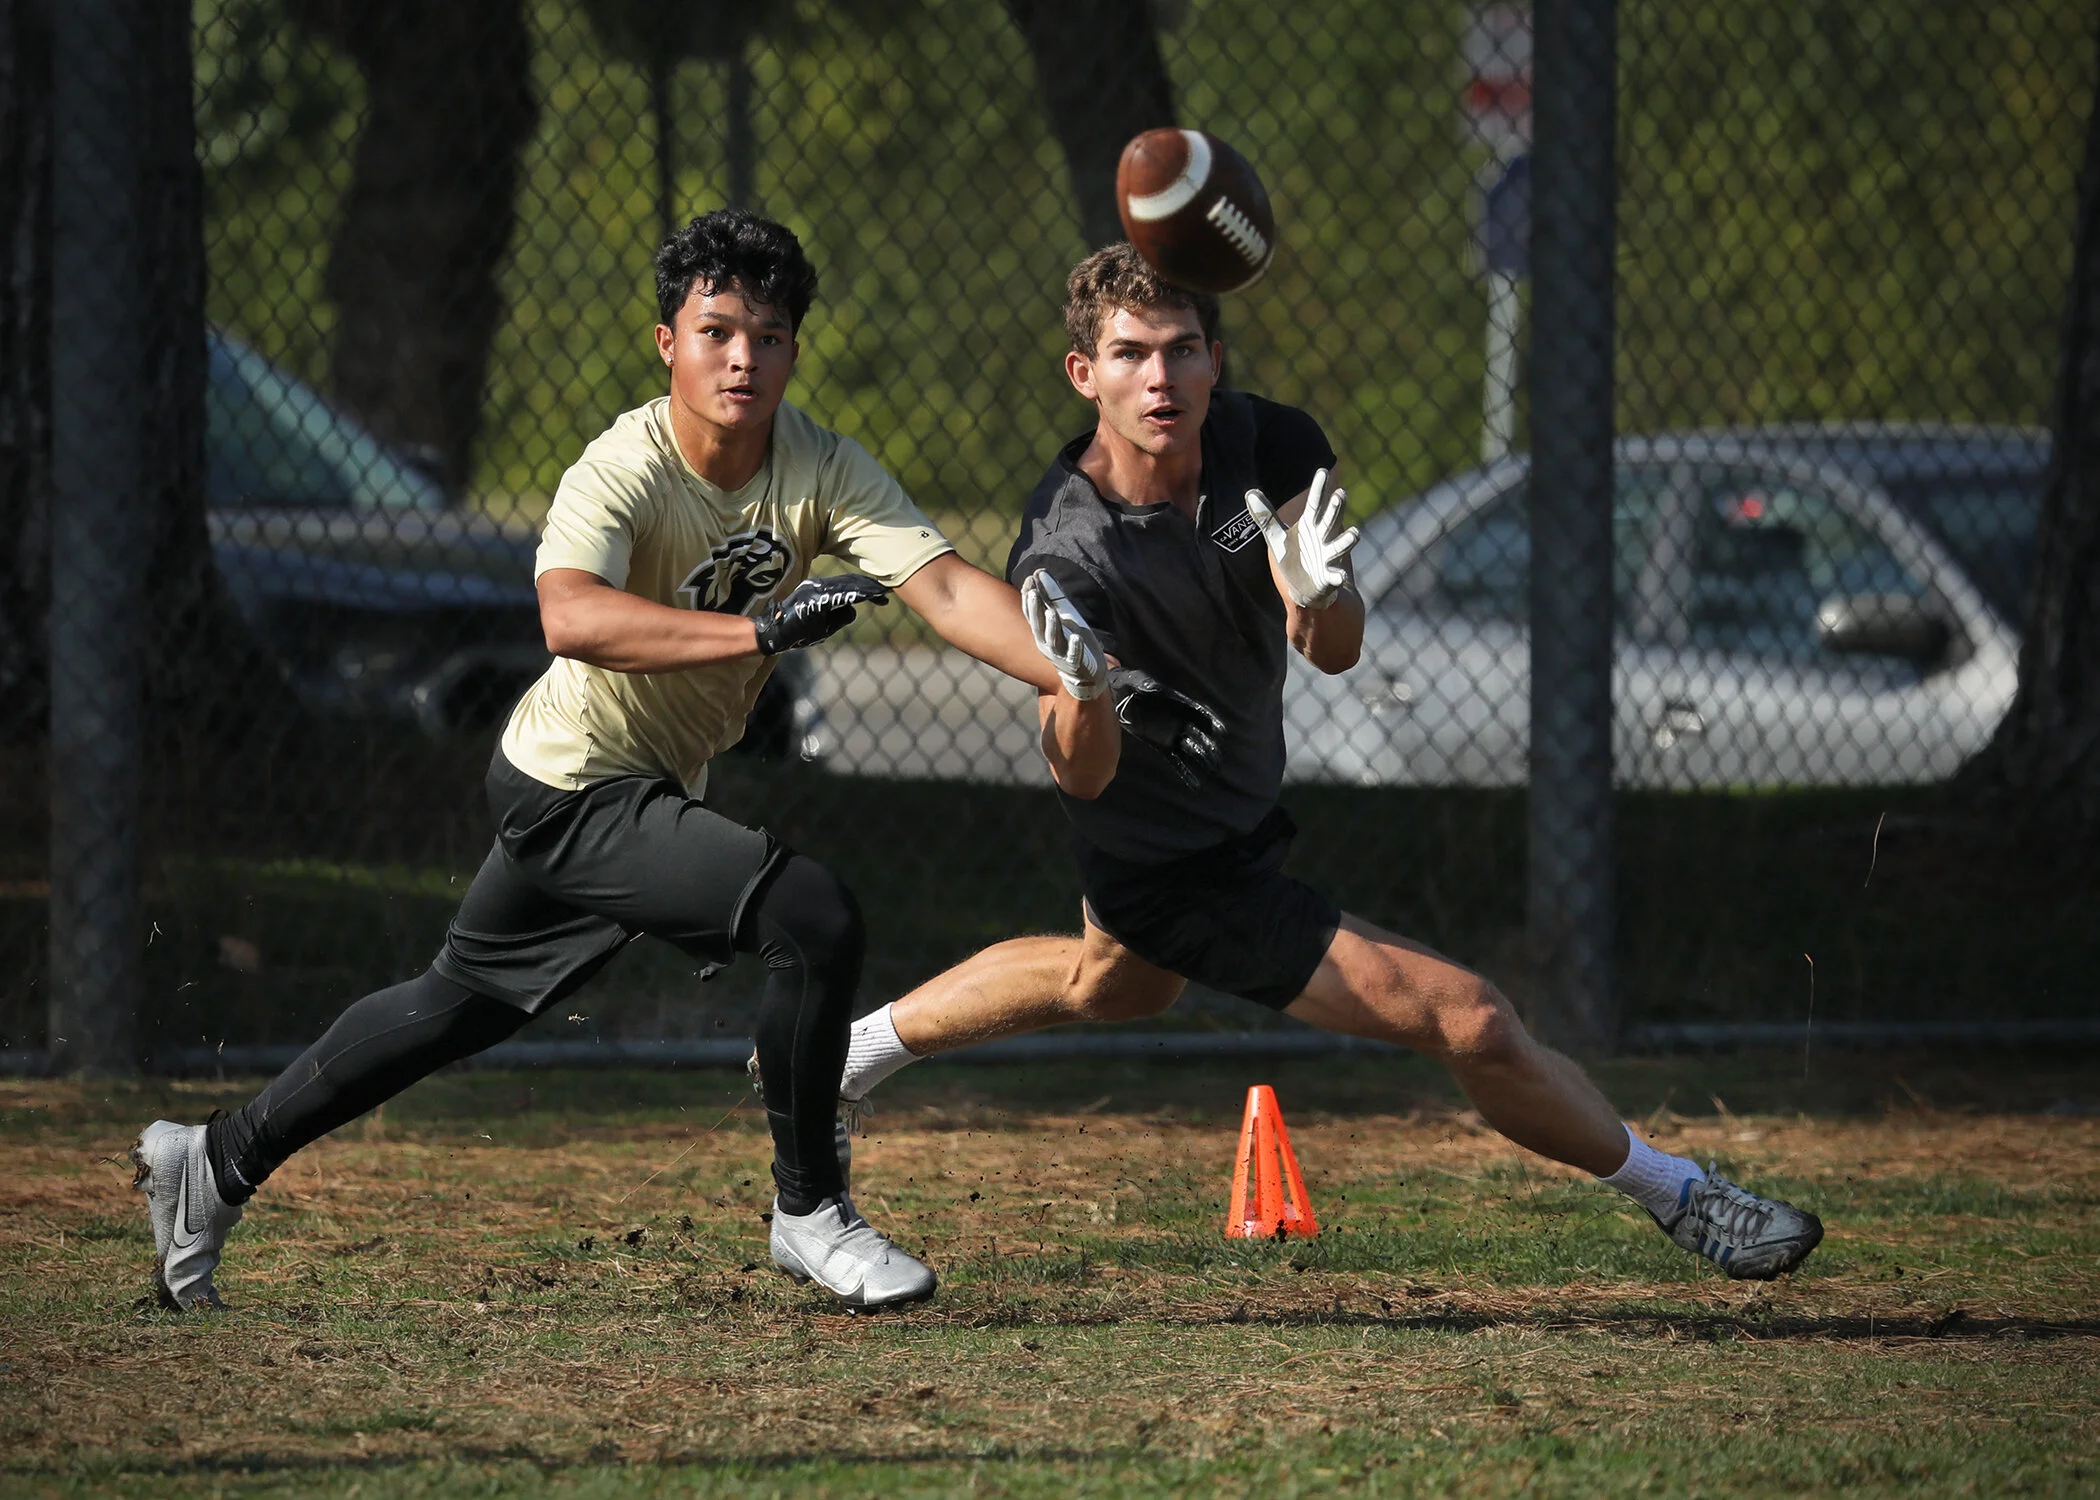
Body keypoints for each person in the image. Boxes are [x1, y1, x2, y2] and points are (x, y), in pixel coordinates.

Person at [130, 209, 1174, 1313]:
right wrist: (757, 633)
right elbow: (571, 617)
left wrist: (1098, 677)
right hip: (571, 783)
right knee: (813, 919)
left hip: (630, 785)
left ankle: (214, 1161)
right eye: (716, 332)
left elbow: (952, 591)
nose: (742, 359)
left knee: (456, 1004)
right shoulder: (621, 465)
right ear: (667, 342)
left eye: (768, 336)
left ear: (794, 351)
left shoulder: (820, 464)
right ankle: (810, 1213)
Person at [821, 244, 1824, 1281]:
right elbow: (1080, 773)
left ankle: (844, 1055)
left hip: (1235, 815)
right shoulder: (1069, 550)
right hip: (1176, 860)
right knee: (1473, 1019)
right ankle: (1683, 1195)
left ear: (1215, 359)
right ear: (1085, 374)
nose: (1160, 379)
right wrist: (1082, 691)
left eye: (1182, 350)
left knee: (1109, 983)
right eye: (1129, 355)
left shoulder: (1271, 444)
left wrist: (1320, 593)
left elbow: (1333, 651)